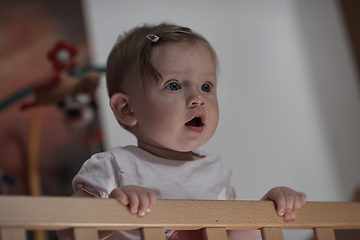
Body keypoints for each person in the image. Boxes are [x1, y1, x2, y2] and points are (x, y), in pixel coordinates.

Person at [57, 23, 306, 240]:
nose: (198, 98)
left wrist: (267, 212)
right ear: (127, 108)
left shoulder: (215, 170)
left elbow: (227, 235)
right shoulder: (115, 166)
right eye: (174, 85)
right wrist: (113, 211)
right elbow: (66, 229)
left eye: (206, 86)